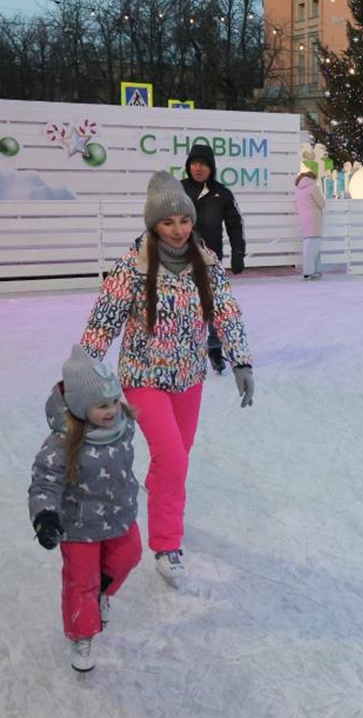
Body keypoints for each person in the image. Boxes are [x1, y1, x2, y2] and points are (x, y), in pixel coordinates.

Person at [80, 171, 254, 585]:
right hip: (144, 375)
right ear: (153, 224)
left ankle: (160, 497)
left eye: (184, 220)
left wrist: (242, 362)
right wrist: (83, 371)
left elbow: (226, 312)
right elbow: (103, 321)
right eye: (168, 222)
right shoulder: (133, 266)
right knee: (172, 457)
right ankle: (167, 544)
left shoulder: (206, 261)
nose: (178, 230)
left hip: (188, 375)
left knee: (177, 456)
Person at [29, 346, 142, 672]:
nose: (111, 411)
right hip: (78, 525)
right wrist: (45, 516)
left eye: (113, 402)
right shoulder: (63, 442)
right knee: (81, 581)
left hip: (119, 515)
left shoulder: (123, 426)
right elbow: (44, 482)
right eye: (101, 406)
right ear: (79, 408)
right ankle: (82, 634)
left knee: (129, 555)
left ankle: (101, 594)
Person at [181, 143, 246, 373]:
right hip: (179, 261)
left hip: (211, 260)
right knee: (185, 307)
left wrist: (238, 253)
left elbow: (235, 225)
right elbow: (159, 221)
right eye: (194, 163)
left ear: (212, 167)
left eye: (204, 164)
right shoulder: (178, 190)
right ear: (188, 166)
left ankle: (215, 348)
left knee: (214, 306)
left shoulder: (222, 194)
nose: (198, 168)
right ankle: (185, 350)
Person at [295, 171, 326, 280]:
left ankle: (314, 269)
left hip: (304, 218)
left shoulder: (298, 189)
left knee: (309, 244)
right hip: (314, 218)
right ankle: (310, 270)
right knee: (314, 246)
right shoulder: (313, 187)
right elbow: (322, 204)